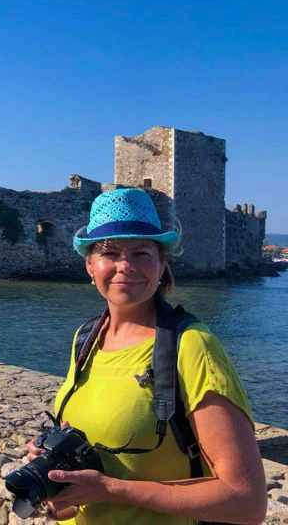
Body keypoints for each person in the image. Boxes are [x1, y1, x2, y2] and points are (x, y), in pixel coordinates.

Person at [26, 188, 266, 524]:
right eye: (109, 253)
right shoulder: (86, 339)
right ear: (89, 266)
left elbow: (246, 501)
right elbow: (84, 497)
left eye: (141, 253)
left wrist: (112, 490)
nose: (125, 266)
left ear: (162, 264)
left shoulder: (194, 346)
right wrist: (60, 482)